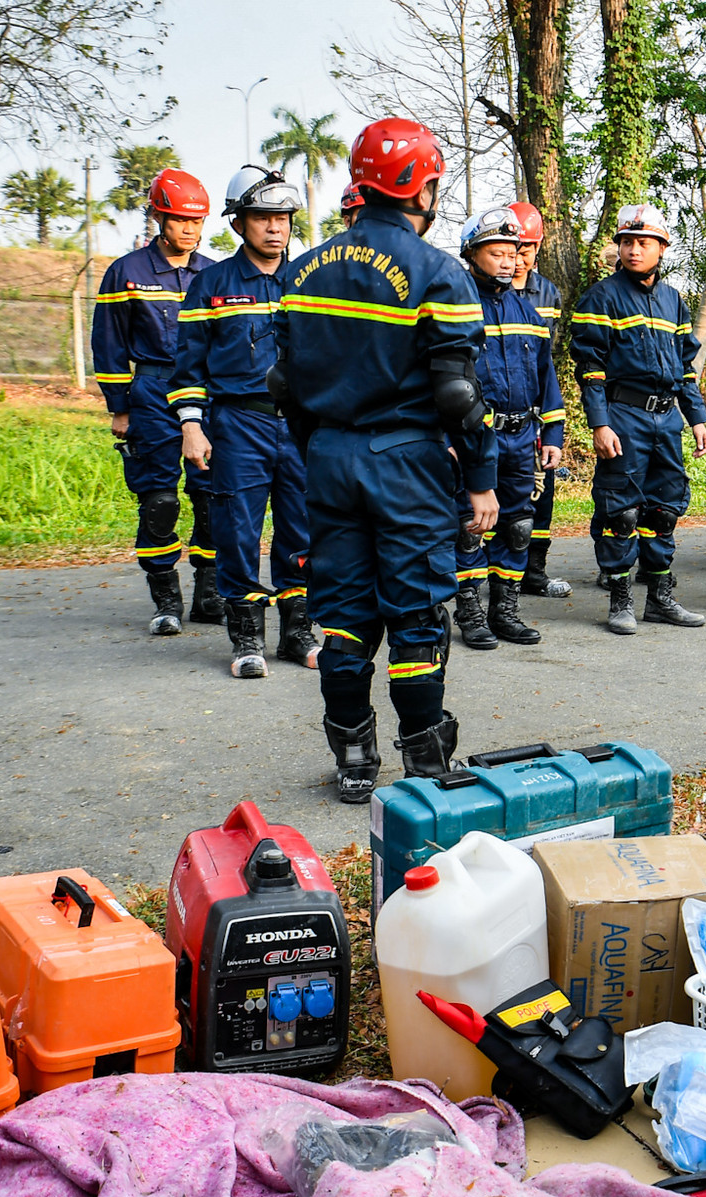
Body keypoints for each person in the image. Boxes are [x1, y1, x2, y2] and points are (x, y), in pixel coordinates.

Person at [270, 117, 496, 802]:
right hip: (407, 464)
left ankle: (354, 759)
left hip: (329, 459)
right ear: (419, 185)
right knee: (419, 615)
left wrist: (325, 449)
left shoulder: (304, 266)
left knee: (341, 614)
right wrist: (482, 474)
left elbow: (285, 387)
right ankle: (425, 763)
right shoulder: (437, 271)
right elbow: (457, 395)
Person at [167, 166, 316, 679]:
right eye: (262, 218)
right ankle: (247, 638)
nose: (275, 228)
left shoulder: (309, 281)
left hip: (300, 429)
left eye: (283, 218)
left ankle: (297, 634)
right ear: (239, 223)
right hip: (238, 426)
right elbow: (186, 367)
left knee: (302, 532)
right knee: (237, 532)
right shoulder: (211, 285)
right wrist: (191, 426)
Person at [570, 203, 706, 635]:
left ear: (661, 249)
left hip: (666, 417)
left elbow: (686, 368)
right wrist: (600, 423)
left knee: (664, 512)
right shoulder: (601, 297)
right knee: (622, 513)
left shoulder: (674, 301)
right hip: (623, 414)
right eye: (627, 242)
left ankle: (660, 599)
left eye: (644, 243)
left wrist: (698, 418)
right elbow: (590, 369)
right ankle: (620, 601)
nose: (634, 250)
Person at [92, 168, 216, 635]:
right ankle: (166, 600)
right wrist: (119, 406)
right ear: (159, 217)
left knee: (211, 497)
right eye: (181, 220)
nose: (189, 229)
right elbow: (108, 344)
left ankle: (209, 593)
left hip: (206, 397)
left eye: (197, 221)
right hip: (150, 392)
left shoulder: (212, 274)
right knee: (159, 501)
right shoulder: (126, 273)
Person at [447, 206, 565, 650]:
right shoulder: (456, 307)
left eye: (512, 252)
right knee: (471, 524)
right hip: (474, 437)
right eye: (495, 251)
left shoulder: (528, 311)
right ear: (472, 254)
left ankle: (505, 611)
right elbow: (438, 381)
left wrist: (552, 435)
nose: (507, 260)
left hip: (521, 439)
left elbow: (546, 377)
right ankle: (471, 613)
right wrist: (447, 440)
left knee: (517, 526)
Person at [507, 200, 574, 601]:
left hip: (535, 409)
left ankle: (534, 571)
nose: (518, 259)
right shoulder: (476, 291)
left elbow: (548, 360)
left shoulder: (548, 292)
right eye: (513, 249)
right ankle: (486, 578)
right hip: (496, 410)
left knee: (541, 492)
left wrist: (552, 424)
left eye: (527, 249)